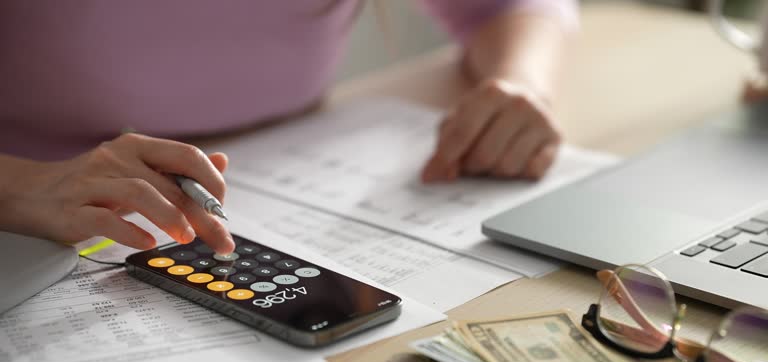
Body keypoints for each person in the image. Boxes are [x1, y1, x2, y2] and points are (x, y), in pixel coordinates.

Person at [0, 0, 577, 255]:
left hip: (290, 177)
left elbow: (504, 5)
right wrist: (18, 184)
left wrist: (521, 81)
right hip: (28, 231)